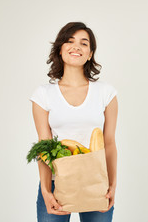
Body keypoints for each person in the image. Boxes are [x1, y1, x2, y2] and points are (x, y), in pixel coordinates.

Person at [29, 22, 118, 222]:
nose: (76, 47)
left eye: (83, 43)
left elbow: (110, 143)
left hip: (96, 181)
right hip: (56, 182)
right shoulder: (43, 95)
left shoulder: (106, 93)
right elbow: (44, 147)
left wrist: (112, 185)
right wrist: (45, 190)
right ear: (60, 50)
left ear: (90, 53)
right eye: (70, 41)